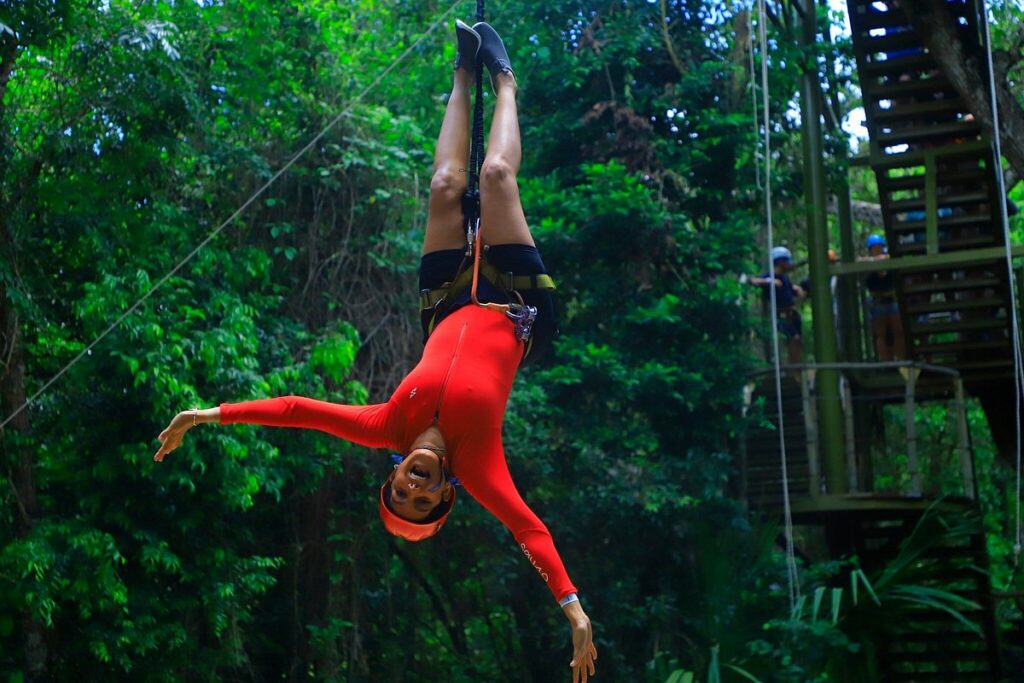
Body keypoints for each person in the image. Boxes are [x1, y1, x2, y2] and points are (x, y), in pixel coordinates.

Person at [152, 20, 597, 683]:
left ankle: (465, 68)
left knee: (447, 184)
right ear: (446, 492)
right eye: (425, 498)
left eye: (400, 492)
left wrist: (206, 414)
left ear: (391, 476)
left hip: (446, 299)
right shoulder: (478, 465)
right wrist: (573, 610)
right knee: (497, 176)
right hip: (515, 304)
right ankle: (506, 81)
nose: (414, 487)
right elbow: (529, 531)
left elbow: (296, 409)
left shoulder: (386, 424)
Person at [749, 246, 805, 364]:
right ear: (780, 262)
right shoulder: (769, 277)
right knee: (793, 339)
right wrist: (770, 282)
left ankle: (797, 370)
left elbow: (790, 289)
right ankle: (793, 371)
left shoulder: (784, 278)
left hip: (792, 314)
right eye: (786, 262)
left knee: (797, 341)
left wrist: (797, 289)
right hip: (781, 315)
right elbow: (752, 281)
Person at [861, 234, 905, 361]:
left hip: (892, 301)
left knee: (898, 332)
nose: (877, 250)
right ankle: (885, 361)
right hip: (878, 303)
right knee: (880, 334)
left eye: (879, 247)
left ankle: (900, 359)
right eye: (874, 248)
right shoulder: (867, 265)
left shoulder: (889, 260)